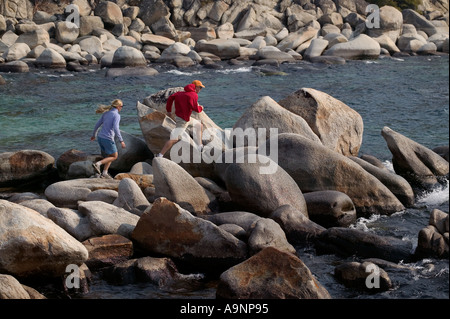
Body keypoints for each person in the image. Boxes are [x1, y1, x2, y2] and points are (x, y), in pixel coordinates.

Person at [155, 80, 205, 158]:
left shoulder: (179, 94)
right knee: (174, 139)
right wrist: (201, 108)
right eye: (200, 87)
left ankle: (200, 146)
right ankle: (160, 155)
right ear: (196, 87)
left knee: (199, 125)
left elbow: (170, 99)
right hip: (183, 121)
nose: (200, 89)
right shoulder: (193, 95)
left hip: (184, 118)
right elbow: (195, 108)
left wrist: (169, 111)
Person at [91, 99, 126, 179]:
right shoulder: (116, 115)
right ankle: (98, 164)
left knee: (110, 155)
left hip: (100, 138)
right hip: (108, 139)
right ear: (118, 107)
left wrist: (94, 135)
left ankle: (104, 173)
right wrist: (121, 140)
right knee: (114, 156)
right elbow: (116, 128)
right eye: (121, 106)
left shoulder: (106, 113)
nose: (121, 108)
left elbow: (97, 125)